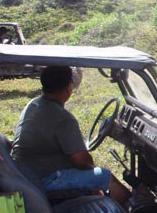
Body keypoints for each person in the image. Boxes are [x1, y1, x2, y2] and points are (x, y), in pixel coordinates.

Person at [11, 66, 131, 205]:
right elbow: (81, 160)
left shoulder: (34, 103)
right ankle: (135, 211)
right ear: (69, 87)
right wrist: (92, 169)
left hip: (25, 173)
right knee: (104, 177)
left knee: (91, 179)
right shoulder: (63, 118)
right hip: (44, 179)